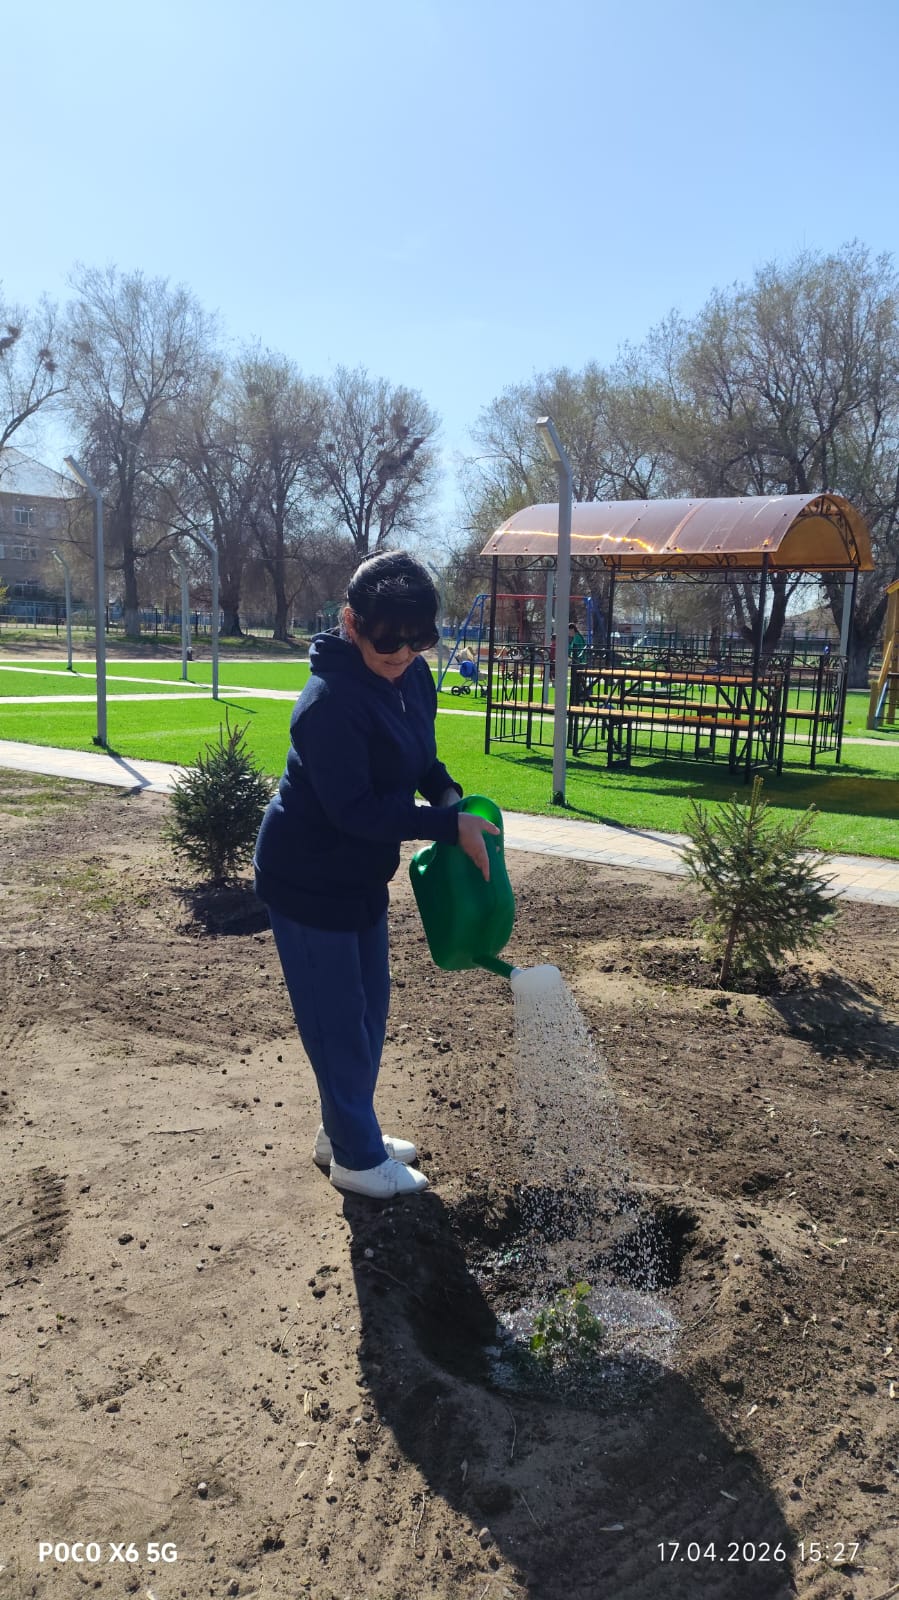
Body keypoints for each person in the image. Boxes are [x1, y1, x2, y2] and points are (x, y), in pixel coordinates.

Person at [253, 551, 498, 1200]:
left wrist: (447, 796)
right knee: (337, 1020)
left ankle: (343, 1132)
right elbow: (356, 810)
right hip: (306, 880)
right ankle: (357, 1159)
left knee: (367, 1014)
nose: (401, 652)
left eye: (418, 639)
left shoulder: (412, 678)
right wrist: (446, 828)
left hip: (359, 877)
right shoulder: (326, 705)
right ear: (350, 623)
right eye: (385, 637)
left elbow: (419, 757)